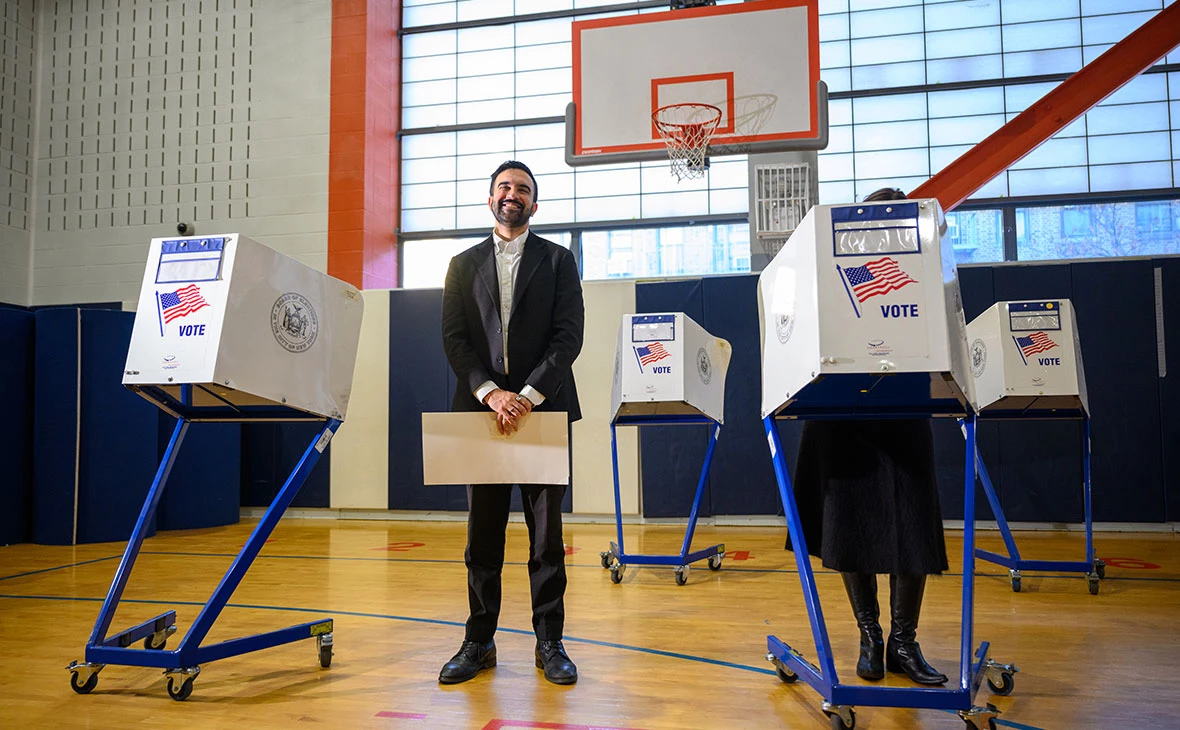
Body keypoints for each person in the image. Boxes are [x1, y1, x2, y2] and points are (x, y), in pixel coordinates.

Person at [790, 186, 949, 686]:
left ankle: (904, 642)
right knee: (851, 526)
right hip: (845, 411)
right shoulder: (829, 268)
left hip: (905, 406)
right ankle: (870, 637)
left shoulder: (925, 269)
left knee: (913, 527)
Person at [438, 160, 585, 686]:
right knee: (483, 534)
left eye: (522, 189)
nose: (512, 194)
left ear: (534, 204)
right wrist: (491, 393)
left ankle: (550, 643)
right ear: (490, 199)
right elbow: (455, 339)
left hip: (542, 413)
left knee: (546, 536)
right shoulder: (461, 264)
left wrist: (522, 396)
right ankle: (479, 641)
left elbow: (569, 337)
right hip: (482, 414)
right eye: (504, 187)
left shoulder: (560, 260)